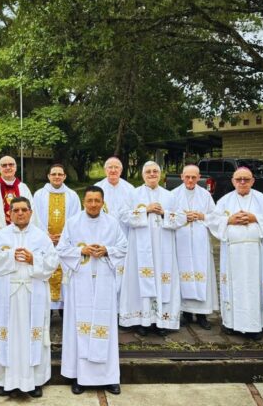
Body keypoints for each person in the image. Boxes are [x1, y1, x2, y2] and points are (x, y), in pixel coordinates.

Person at [0, 197, 58, 398]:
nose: (20, 213)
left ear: (30, 212)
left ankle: (34, 381)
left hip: (33, 294)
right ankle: (3, 380)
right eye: (15, 210)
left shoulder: (41, 237)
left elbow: (52, 262)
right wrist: (10, 256)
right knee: (6, 335)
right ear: (9, 213)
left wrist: (34, 259)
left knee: (32, 336)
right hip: (7, 295)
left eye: (24, 210)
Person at [58, 186, 126, 395]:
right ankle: (80, 377)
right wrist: (81, 250)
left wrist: (107, 250)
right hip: (81, 282)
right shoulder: (73, 222)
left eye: (97, 200)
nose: (94, 204)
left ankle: (109, 377)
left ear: (103, 202)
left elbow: (123, 247)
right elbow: (61, 250)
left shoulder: (112, 223)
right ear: (83, 201)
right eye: (90, 200)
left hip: (104, 280)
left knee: (104, 327)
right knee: (81, 327)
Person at [208, 167, 263, 340]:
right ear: (233, 181)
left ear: (253, 181)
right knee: (234, 287)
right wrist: (229, 220)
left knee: (253, 288)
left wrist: (255, 218)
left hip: (256, 253)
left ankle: (254, 326)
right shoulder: (224, 200)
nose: (242, 182)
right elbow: (213, 221)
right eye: (238, 179)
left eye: (246, 179)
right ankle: (231, 324)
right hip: (232, 253)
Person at [119, 162, 185, 336]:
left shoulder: (169, 196)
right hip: (139, 248)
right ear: (143, 175)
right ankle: (142, 320)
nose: (152, 174)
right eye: (148, 171)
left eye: (155, 171)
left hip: (164, 248)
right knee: (140, 281)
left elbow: (180, 219)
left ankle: (161, 321)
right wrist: (145, 211)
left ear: (160, 174)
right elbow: (123, 215)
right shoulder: (133, 194)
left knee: (163, 281)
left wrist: (164, 213)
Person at [0, 155, 37, 330]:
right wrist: (6, 232)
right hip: (0, 240)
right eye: (4, 165)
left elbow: (31, 214)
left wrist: (19, 232)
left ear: (16, 168)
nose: (8, 167)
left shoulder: (23, 188)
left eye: (11, 164)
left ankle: (20, 322)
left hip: (23, 241)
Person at [172, 164, 218, 330]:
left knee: (201, 275)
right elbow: (168, 217)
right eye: (187, 177)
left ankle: (201, 315)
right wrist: (184, 218)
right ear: (181, 176)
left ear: (199, 178)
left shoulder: (206, 195)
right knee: (182, 276)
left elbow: (215, 217)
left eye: (194, 177)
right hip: (181, 242)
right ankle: (184, 312)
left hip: (200, 243)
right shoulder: (173, 195)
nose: (190, 180)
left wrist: (201, 215)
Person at [32, 163, 81, 310]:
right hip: (44, 241)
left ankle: (63, 307)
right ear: (48, 176)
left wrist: (64, 236)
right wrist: (46, 236)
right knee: (46, 269)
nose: (57, 177)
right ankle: (47, 307)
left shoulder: (72, 195)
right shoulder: (39, 194)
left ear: (65, 176)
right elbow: (35, 217)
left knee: (65, 272)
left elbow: (76, 218)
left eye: (60, 174)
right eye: (54, 174)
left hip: (65, 242)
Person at [94, 157, 135, 289]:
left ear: (121, 170)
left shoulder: (130, 189)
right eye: (110, 167)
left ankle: (120, 305)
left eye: (116, 167)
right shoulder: (97, 187)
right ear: (105, 170)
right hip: (102, 235)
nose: (113, 170)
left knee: (122, 272)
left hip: (124, 234)